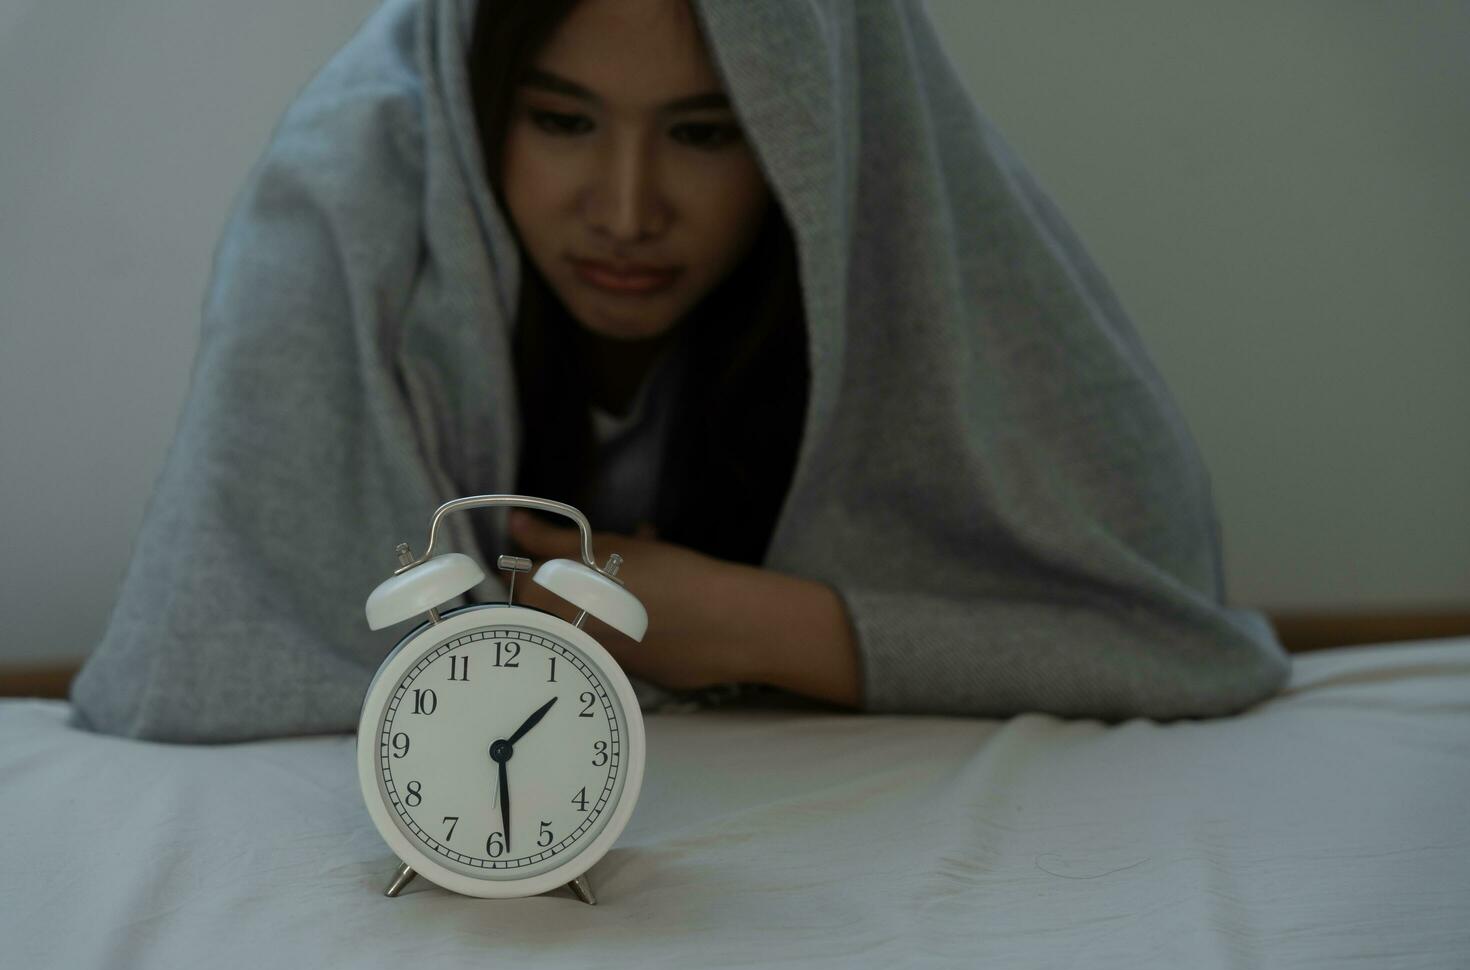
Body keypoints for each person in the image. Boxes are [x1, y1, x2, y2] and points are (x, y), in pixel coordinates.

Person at [69, 0, 1290, 742]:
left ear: (809, 130)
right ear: (479, 101)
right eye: (561, 120)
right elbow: (194, 660)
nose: (627, 209)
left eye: (707, 134)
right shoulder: (355, 195)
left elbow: (1180, 638)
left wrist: (746, 624)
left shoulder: (904, 218)